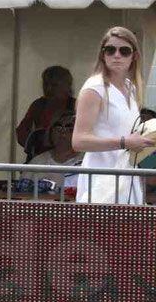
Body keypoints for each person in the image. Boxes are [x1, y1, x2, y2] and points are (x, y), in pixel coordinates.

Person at [72, 27, 155, 205]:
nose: (117, 55)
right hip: (100, 178)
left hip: (127, 176)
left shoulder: (130, 87)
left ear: (134, 56)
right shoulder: (94, 88)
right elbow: (78, 141)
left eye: (124, 51)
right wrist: (125, 142)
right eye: (110, 50)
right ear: (103, 55)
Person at [17, 65, 75, 161]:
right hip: (40, 158)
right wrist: (36, 142)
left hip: (70, 160)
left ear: (67, 85)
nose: (48, 89)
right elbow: (21, 133)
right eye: (45, 84)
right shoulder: (38, 105)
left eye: (54, 85)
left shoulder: (76, 106)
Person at [26, 112, 82, 192]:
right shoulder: (38, 161)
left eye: (69, 128)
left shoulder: (85, 160)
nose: (62, 132)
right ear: (50, 131)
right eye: (58, 127)